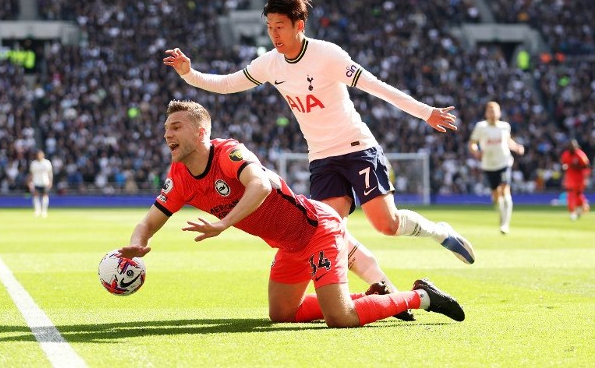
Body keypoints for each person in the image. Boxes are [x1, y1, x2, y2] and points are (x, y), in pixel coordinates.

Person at [163, 0, 475, 281]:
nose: (274, 34)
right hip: (322, 158)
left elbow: (376, 86)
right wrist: (189, 74)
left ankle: (439, 231)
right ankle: (379, 284)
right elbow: (228, 84)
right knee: (329, 230)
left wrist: (425, 112)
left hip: (357, 147)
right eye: (270, 27)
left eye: (281, 26)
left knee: (386, 225)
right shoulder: (270, 64)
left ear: (299, 24)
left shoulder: (328, 55)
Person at [118, 100, 466, 327]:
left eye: (176, 127)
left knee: (340, 318)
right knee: (282, 315)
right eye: (166, 129)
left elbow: (261, 186)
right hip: (289, 245)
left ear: (201, 131)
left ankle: (422, 296)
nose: (167, 134)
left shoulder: (229, 153)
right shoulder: (179, 177)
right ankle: (375, 296)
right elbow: (149, 221)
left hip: (318, 228)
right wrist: (136, 245)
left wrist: (224, 223)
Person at [469, 101, 525, 234]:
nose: (492, 114)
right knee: (496, 195)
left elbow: (508, 141)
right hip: (488, 165)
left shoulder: (505, 126)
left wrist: (517, 147)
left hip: (504, 163)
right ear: (486, 113)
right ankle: (501, 215)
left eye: (495, 111)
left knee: (505, 190)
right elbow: (472, 143)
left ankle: (505, 224)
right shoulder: (480, 127)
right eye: (490, 111)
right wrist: (475, 151)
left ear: (499, 113)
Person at [560, 139, 590, 220]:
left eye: (572, 147)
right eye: (570, 146)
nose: (571, 148)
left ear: (576, 147)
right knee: (570, 194)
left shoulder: (580, 154)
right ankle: (573, 211)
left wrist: (575, 167)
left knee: (577, 195)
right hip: (569, 178)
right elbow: (563, 164)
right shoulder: (565, 154)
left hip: (579, 178)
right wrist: (564, 168)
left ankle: (582, 206)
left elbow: (586, 166)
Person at [28, 150, 53, 218]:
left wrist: (50, 181)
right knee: (36, 196)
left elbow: (50, 173)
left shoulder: (47, 163)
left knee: (45, 196)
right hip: (36, 182)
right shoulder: (34, 163)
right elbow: (31, 174)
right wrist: (30, 182)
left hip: (45, 182)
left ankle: (44, 211)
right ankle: (37, 210)